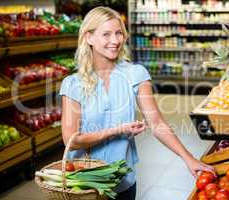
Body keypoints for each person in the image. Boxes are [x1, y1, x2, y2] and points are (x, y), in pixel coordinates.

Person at [60, 6, 215, 200]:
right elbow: (71, 140)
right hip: (84, 183)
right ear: (89, 37)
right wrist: (117, 130)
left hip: (123, 181)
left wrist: (188, 158)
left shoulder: (136, 74)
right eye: (106, 34)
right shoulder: (72, 84)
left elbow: (157, 124)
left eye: (119, 33)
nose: (115, 41)